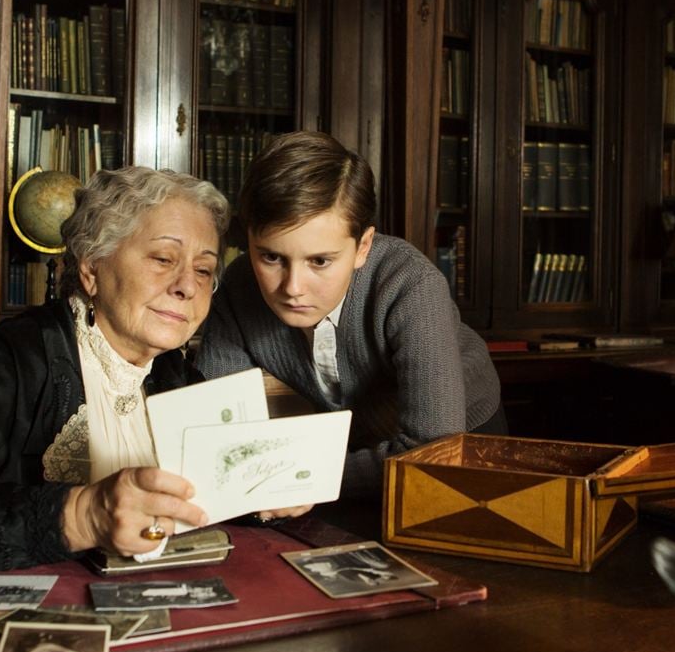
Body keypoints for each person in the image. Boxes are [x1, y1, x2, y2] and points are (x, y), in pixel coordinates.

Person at [0, 166, 297, 573]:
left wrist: (266, 495)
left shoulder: (174, 373)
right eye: (163, 259)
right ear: (91, 269)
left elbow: (205, 498)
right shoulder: (4, 361)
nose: (187, 286)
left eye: (204, 269)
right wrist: (81, 516)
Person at [195, 131, 504, 498]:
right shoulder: (238, 286)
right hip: (342, 450)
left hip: (459, 442)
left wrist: (296, 478)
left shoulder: (411, 283)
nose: (293, 287)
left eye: (320, 261)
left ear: (363, 247)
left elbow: (432, 451)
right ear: (248, 240)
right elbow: (216, 433)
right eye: (271, 257)